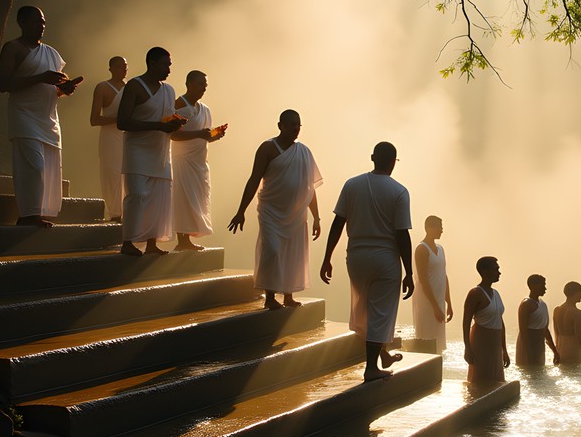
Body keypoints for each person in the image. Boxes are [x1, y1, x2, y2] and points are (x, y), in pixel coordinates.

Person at [320, 141, 413, 381]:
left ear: (372, 158)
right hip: (385, 257)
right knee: (381, 311)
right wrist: (410, 272)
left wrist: (327, 257)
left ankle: (381, 355)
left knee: (366, 307)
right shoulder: (399, 191)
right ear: (393, 162)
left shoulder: (352, 184)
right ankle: (371, 367)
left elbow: (338, 223)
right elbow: (402, 234)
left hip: (357, 257)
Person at [0, 5, 82, 227]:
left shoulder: (52, 53)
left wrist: (66, 89)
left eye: (43, 21)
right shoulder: (13, 48)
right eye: (36, 21)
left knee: (46, 167)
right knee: (34, 165)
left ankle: (39, 212)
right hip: (23, 114)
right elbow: (3, 84)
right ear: (22, 23)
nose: (41, 26)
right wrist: (41, 77)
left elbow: (55, 89)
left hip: (47, 117)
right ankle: (28, 215)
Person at [228, 110, 322, 309]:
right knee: (271, 250)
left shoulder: (304, 151)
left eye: (298, 125)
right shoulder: (267, 148)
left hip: (296, 214)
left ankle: (288, 296)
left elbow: (309, 187)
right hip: (271, 211)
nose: (296, 129)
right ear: (280, 126)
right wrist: (241, 211)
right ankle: (269, 296)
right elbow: (254, 180)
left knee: (292, 254)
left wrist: (317, 217)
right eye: (291, 125)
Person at [117, 47, 185, 256]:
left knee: (158, 198)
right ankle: (128, 242)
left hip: (160, 151)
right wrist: (158, 126)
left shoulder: (169, 90)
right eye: (166, 65)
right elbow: (122, 122)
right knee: (136, 195)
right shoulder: (134, 86)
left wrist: (174, 124)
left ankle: (151, 243)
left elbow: (165, 119)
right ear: (152, 63)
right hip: (137, 149)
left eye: (170, 65)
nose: (169, 70)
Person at [171, 70, 226, 251]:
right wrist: (199, 134)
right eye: (200, 84)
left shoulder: (205, 109)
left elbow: (206, 136)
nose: (204, 88)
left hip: (199, 161)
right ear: (189, 84)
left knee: (196, 199)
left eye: (205, 85)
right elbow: (172, 134)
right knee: (182, 198)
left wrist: (216, 134)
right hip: (182, 160)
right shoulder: (178, 104)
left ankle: (188, 238)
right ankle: (182, 240)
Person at [89, 55, 128, 221]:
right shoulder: (102, 87)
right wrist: (118, 120)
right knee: (112, 174)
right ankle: (115, 214)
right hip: (110, 137)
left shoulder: (131, 87)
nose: (123, 69)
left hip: (128, 137)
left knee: (128, 175)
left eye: (125, 66)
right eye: (119, 66)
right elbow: (94, 119)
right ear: (111, 68)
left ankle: (129, 214)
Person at [462, 256, 509, 384]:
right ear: (485, 271)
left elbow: (500, 322)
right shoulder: (475, 293)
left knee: (495, 380)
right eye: (496, 269)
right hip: (480, 342)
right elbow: (466, 322)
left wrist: (504, 349)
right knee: (479, 380)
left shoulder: (496, 293)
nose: (499, 272)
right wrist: (467, 348)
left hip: (495, 343)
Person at [412, 215, 453, 351]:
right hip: (426, 302)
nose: (442, 230)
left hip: (439, 301)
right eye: (439, 227)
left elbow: (444, 275)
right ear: (429, 228)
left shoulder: (440, 249)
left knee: (438, 343)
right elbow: (422, 280)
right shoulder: (421, 249)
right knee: (427, 339)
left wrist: (449, 303)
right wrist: (434, 306)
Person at [516, 274, 560, 366]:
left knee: (539, 373)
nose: (545, 288)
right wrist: (526, 352)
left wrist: (555, 351)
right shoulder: (526, 304)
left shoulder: (543, 304)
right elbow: (523, 330)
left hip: (539, 345)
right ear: (532, 286)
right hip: (527, 344)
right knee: (528, 372)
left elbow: (545, 329)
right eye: (542, 285)